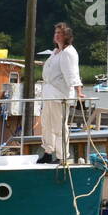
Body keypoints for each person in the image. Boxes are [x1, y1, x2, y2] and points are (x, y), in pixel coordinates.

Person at [38, 22, 83, 164]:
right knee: (46, 125)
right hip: (49, 95)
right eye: (56, 33)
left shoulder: (69, 52)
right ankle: (48, 152)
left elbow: (73, 74)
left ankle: (62, 156)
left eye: (60, 33)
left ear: (66, 36)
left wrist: (79, 92)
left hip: (60, 95)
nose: (56, 35)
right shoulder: (55, 51)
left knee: (59, 126)